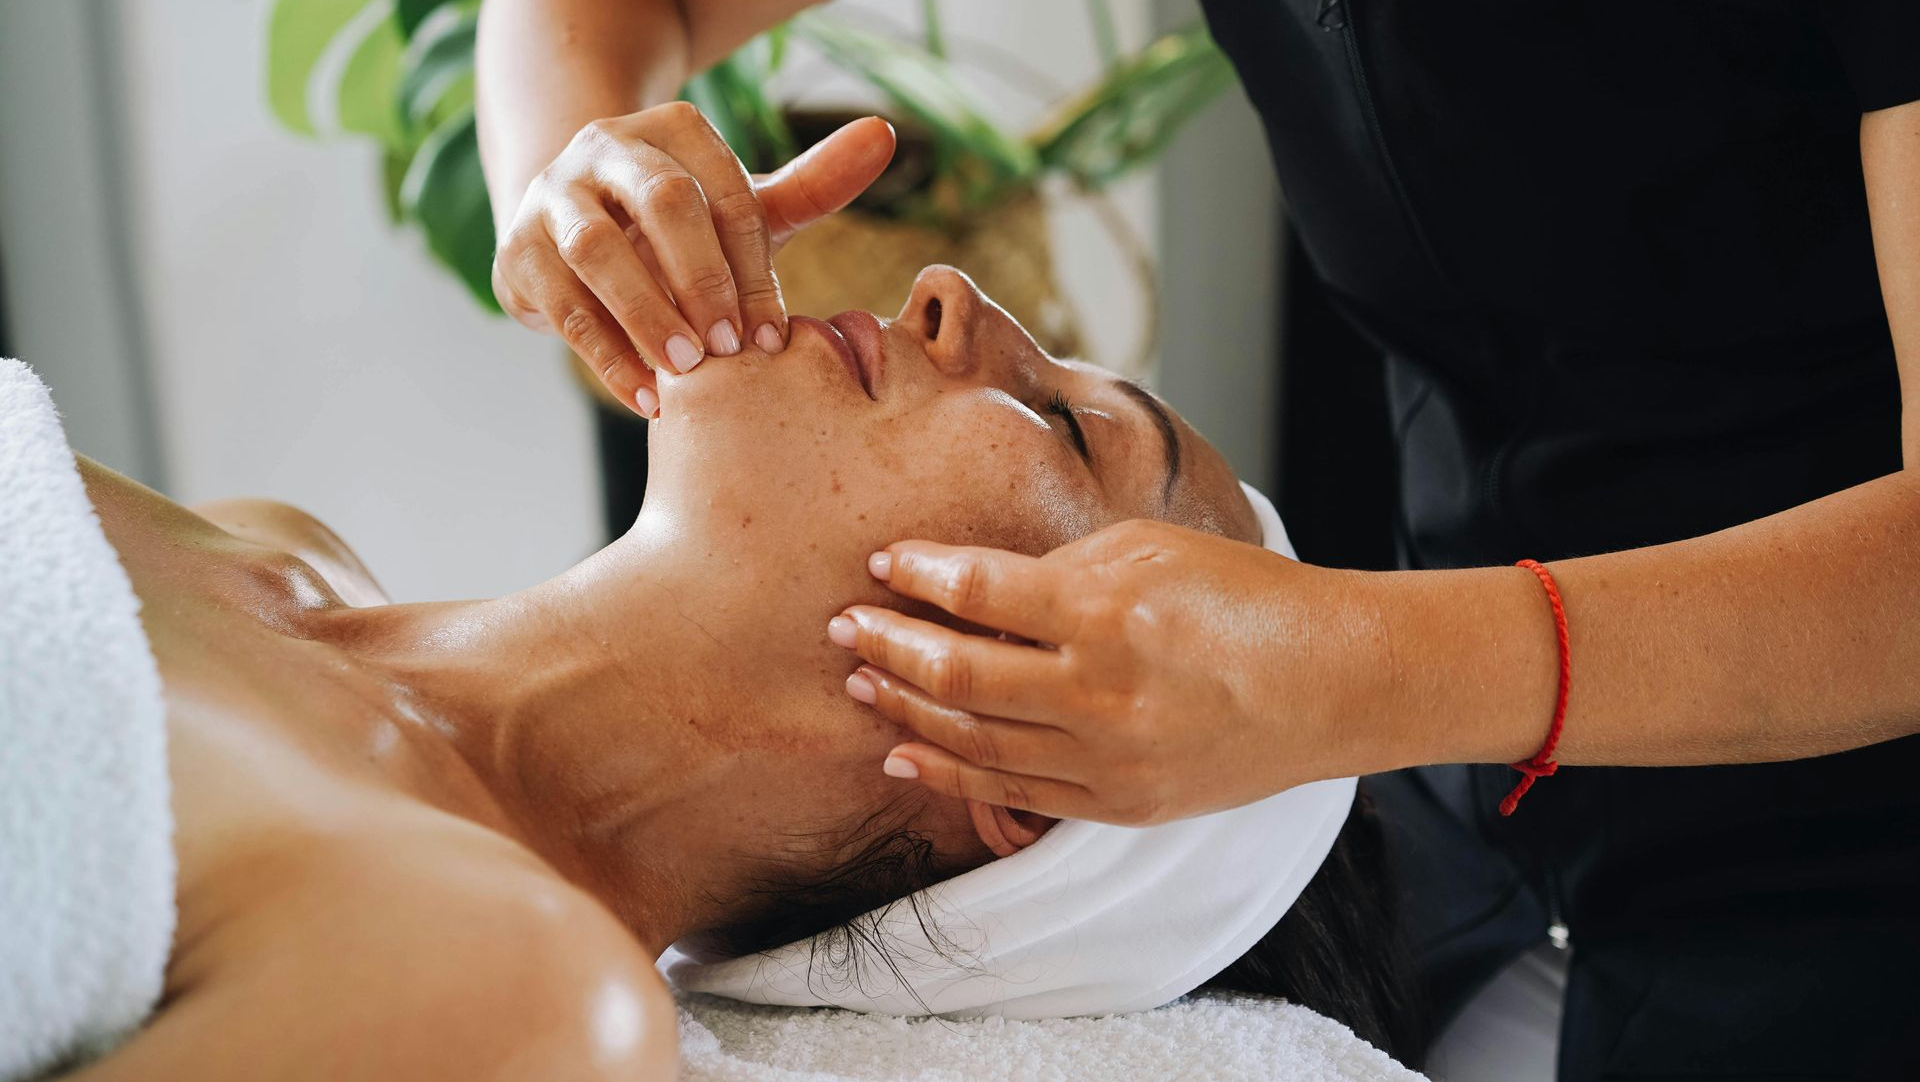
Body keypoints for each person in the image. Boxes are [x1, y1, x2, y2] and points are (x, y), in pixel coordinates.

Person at [476, 2, 1920, 1077]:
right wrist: (576, 182)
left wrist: (1356, 669)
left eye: (1069, 430)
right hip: (1484, 808)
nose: (941, 293)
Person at [49, 269, 1420, 1078]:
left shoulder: (510, 990)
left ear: (1027, 753)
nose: (955, 294)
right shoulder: (272, 547)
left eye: (1068, 425)